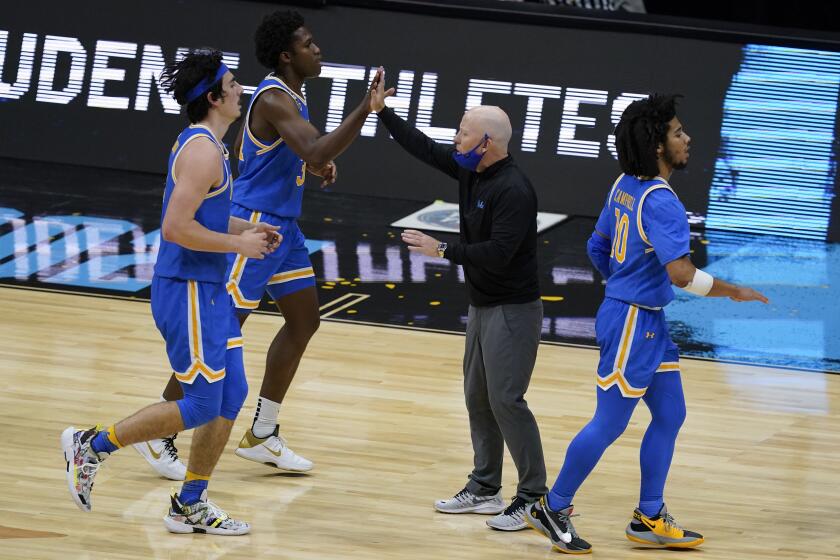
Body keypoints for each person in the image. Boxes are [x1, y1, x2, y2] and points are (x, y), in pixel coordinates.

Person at [135, 10, 383, 479]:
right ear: (287, 55)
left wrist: (314, 167)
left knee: (304, 318)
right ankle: (160, 433)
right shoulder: (271, 97)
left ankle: (263, 432)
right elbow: (315, 148)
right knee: (222, 327)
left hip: (284, 227)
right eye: (309, 44)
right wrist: (362, 113)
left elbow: (302, 153)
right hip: (251, 223)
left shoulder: (292, 96)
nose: (318, 49)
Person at [524, 94, 769, 553]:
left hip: (642, 317)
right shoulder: (662, 202)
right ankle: (552, 506)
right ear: (658, 145)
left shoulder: (624, 184)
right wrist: (734, 291)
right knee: (609, 422)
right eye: (677, 132)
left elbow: (597, 247)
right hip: (634, 321)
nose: (687, 138)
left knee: (671, 414)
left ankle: (649, 516)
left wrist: (625, 285)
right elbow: (681, 274)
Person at [61, 48, 282, 535]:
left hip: (207, 290)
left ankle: (190, 502)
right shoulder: (203, 150)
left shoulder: (210, 144)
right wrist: (237, 242)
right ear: (213, 97)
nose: (240, 89)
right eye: (231, 83)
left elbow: (204, 215)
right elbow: (176, 227)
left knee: (233, 394)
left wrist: (248, 227)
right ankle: (92, 443)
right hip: (186, 290)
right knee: (202, 404)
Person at [370, 73, 548, 531]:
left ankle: (533, 498)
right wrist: (384, 112)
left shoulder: (514, 190)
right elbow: (426, 149)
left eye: (464, 132)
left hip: (513, 309)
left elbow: (499, 254)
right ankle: (486, 487)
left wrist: (442, 249)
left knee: (508, 400)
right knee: (477, 398)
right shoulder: (473, 170)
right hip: (484, 305)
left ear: (486, 141)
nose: (456, 138)